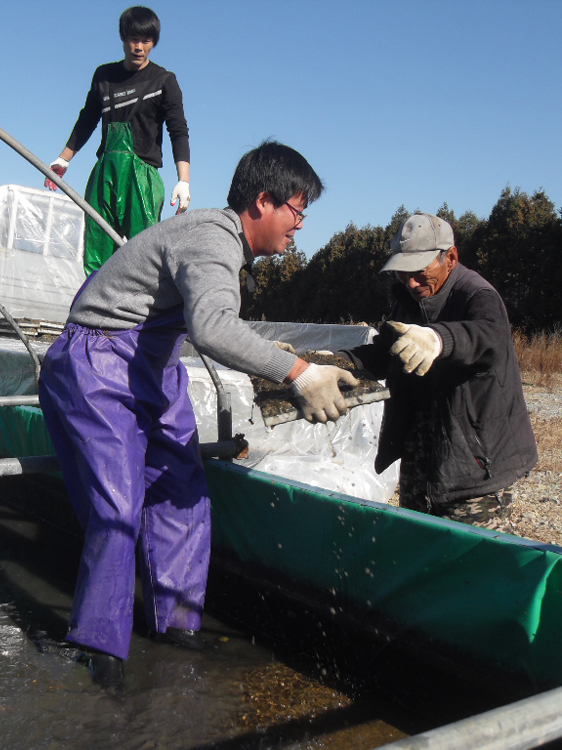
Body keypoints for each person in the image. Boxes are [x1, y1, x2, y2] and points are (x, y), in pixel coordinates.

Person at [38, 141, 358, 686]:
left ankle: (178, 628)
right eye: (298, 211)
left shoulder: (223, 244)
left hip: (151, 362)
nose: (300, 226)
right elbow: (212, 328)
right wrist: (300, 373)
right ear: (263, 201)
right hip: (97, 358)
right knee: (118, 503)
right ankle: (102, 653)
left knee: (183, 485)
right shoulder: (212, 238)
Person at [342, 213, 537, 523]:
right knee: (420, 554)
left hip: (474, 469)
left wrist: (438, 340)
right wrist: (332, 363)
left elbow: (488, 337)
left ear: (451, 257)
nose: (412, 283)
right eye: (403, 274)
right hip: (422, 462)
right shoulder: (408, 300)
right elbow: (384, 352)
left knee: (474, 561)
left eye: (419, 272)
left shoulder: (477, 295)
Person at [44, 6, 191, 275]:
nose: (139, 47)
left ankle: (140, 315)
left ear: (154, 43)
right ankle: (94, 312)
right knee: (97, 252)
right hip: (106, 173)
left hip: (143, 178)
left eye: (146, 41)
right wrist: (63, 159)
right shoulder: (104, 76)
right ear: (123, 38)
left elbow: (178, 130)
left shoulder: (164, 81)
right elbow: (88, 119)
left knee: (142, 255)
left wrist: (183, 180)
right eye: (133, 39)